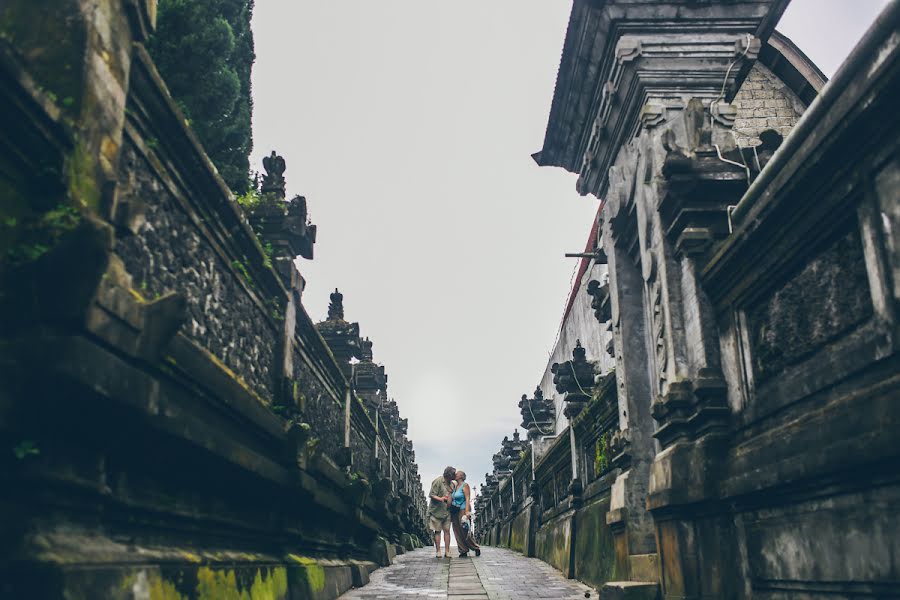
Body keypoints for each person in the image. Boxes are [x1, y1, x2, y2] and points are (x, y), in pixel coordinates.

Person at [450, 470, 480, 557]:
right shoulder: (455, 486)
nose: (455, 474)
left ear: (461, 476)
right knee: (457, 530)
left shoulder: (465, 485)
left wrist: (467, 512)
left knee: (464, 530)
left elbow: (467, 499)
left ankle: (475, 547)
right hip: (455, 510)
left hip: (463, 509)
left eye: (457, 473)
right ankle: (463, 550)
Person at [428, 466, 455, 558]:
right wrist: (441, 499)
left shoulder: (452, 484)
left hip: (447, 510)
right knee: (438, 531)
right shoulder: (438, 481)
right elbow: (431, 495)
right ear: (447, 475)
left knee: (447, 531)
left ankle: (447, 551)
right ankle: (438, 551)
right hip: (437, 510)